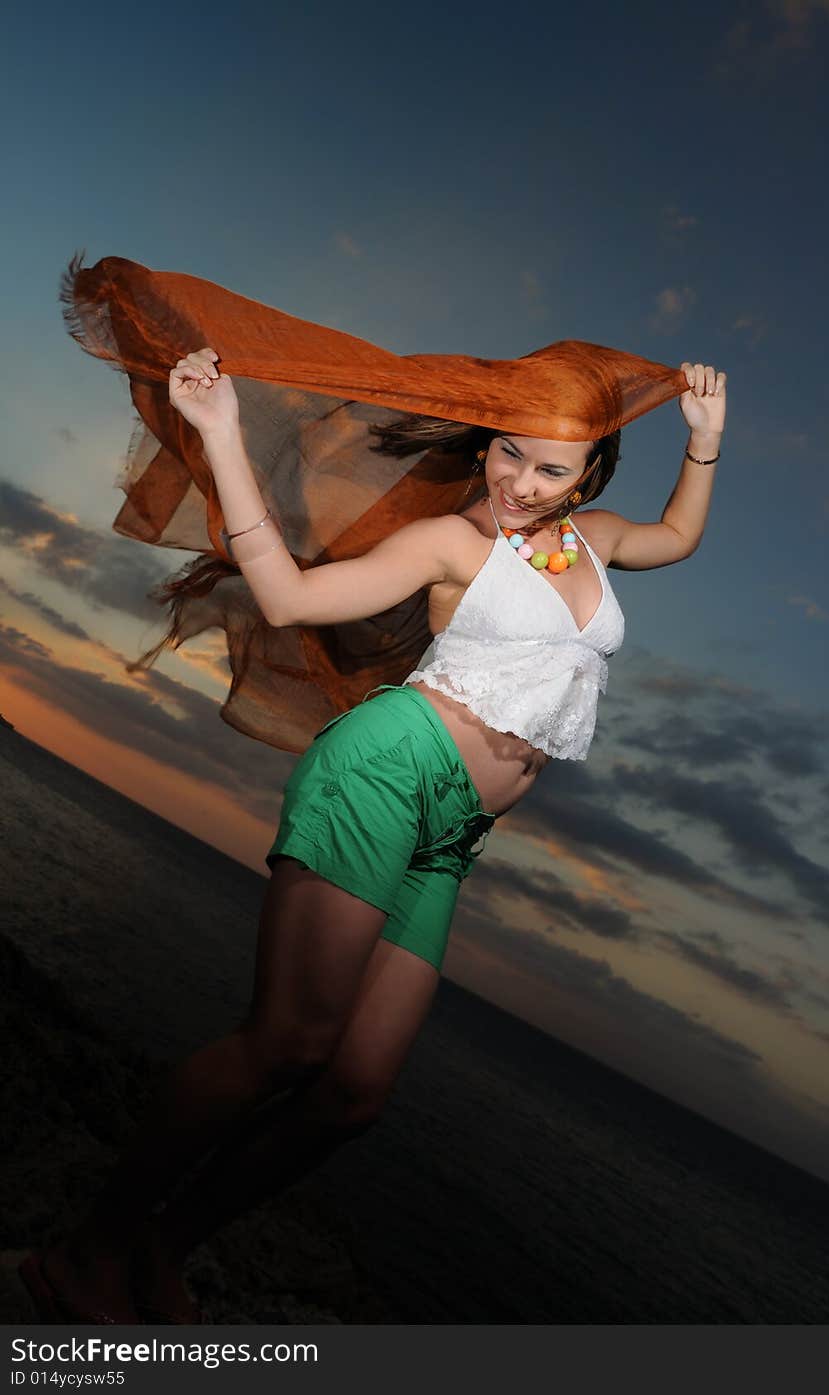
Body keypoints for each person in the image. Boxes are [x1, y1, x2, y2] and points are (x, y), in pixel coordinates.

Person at [21, 293, 726, 1323]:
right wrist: (220, 435)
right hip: (387, 774)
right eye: (507, 453)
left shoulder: (594, 544)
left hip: (453, 836)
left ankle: (167, 1245)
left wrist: (702, 446)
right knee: (286, 1046)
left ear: (589, 475)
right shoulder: (451, 542)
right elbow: (292, 601)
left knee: (353, 1095)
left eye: (549, 468)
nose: (518, 481)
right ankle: (90, 1252)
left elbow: (675, 538)